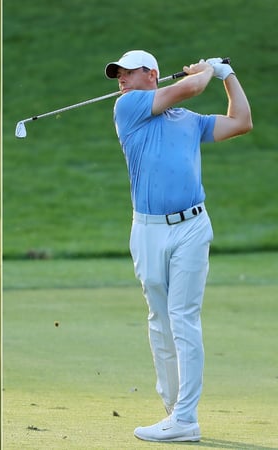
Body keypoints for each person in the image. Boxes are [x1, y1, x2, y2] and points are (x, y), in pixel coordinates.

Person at [104, 51, 251, 442]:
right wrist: (205, 72)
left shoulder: (188, 122)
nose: (120, 78)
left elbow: (241, 122)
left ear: (151, 74)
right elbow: (188, 88)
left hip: (192, 226)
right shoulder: (128, 107)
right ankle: (173, 410)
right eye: (117, 74)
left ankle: (185, 418)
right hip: (148, 230)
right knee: (160, 320)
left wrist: (227, 75)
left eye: (127, 73)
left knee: (183, 317)